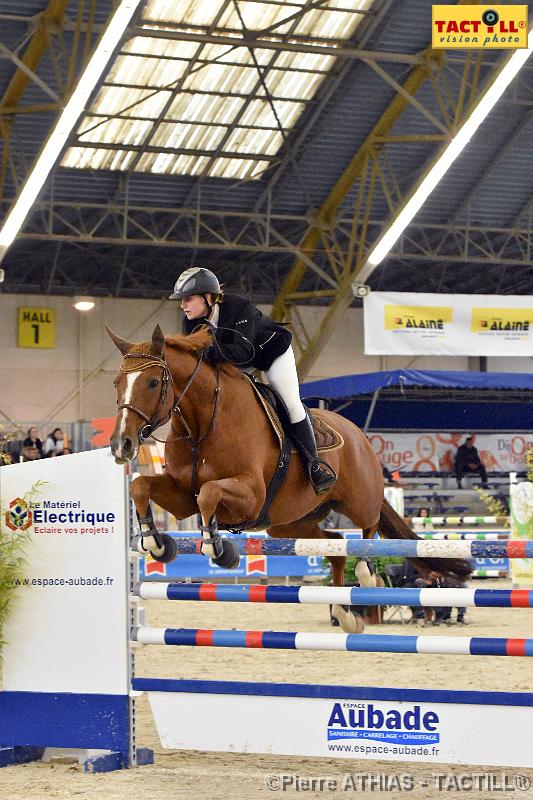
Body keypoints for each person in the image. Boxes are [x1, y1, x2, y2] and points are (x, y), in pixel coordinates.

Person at [169, 267, 336, 495]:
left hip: (271, 354)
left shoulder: (239, 308)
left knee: (291, 404)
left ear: (208, 297)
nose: (182, 305)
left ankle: (315, 466)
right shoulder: (191, 322)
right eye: (182, 301)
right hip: (238, 362)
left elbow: (243, 352)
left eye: (188, 299)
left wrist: (208, 349)